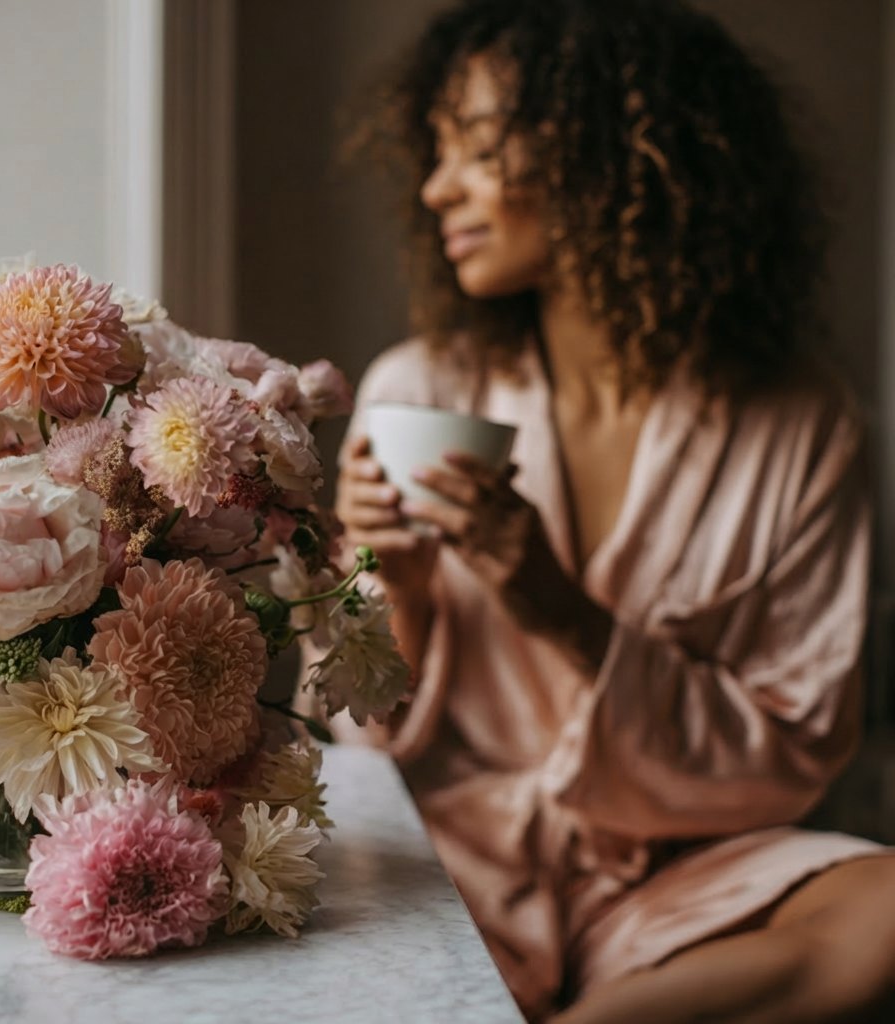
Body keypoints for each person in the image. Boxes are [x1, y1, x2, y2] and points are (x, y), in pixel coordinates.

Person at [332, 1, 895, 1020]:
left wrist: (569, 615)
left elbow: (800, 746)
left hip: (680, 860)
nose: (435, 186)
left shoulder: (801, 421)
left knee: (885, 910)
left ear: (615, 157)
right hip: (457, 853)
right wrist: (395, 590)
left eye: (479, 150)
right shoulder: (420, 390)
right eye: (437, 151)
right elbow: (356, 750)